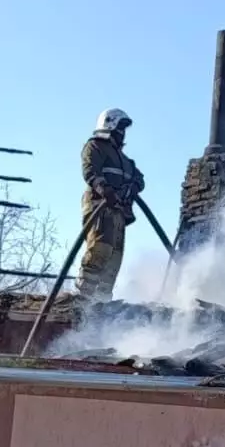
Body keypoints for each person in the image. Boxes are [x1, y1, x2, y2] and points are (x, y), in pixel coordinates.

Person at [78, 108, 145, 302]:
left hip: (119, 211)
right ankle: (84, 298)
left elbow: (139, 178)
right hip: (100, 205)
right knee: (101, 249)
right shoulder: (95, 146)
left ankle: (102, 302)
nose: (122, 133)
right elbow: (90, 170)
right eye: (119, 127)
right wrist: (105, 189)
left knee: (114, 258)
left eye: (124, 129)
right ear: (109, 125)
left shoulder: (126, 160)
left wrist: (133, 187)